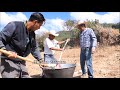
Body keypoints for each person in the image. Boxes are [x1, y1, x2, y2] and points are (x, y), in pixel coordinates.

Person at [0, 12, 45, 78]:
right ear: (35, 22)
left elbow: (34, 48)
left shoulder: (32, 34)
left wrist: (40, 60)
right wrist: (6, 52)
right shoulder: (14, 25)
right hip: (9, 62)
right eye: (40, 25)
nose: (39, 28)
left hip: (21, 62)